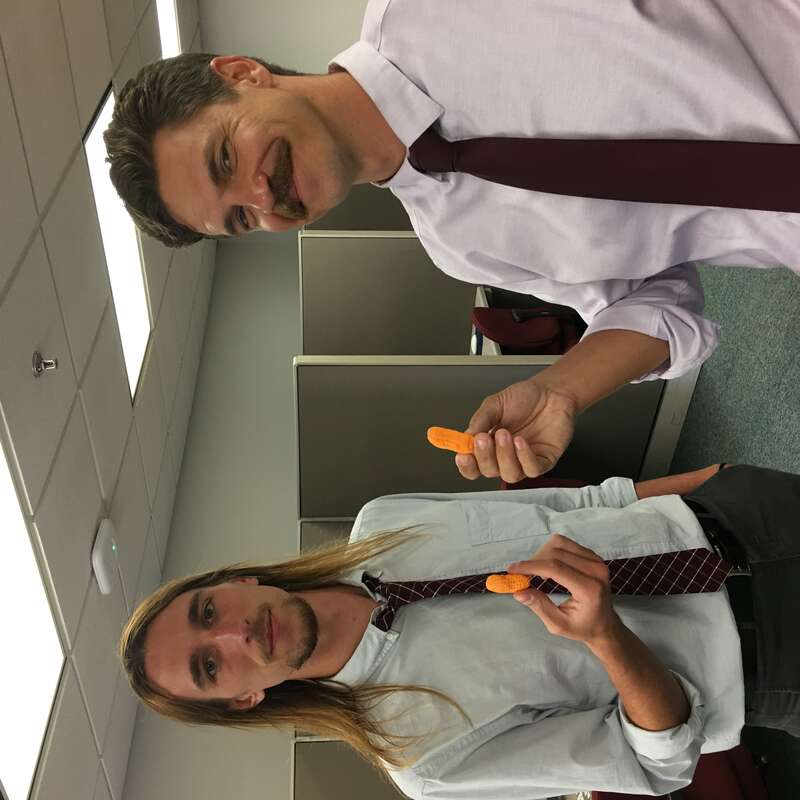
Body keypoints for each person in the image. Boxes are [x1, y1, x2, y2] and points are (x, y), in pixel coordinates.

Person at [103, 1, 800, 483]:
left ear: (240, 74)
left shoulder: (428, 13)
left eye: (225, 158)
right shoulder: (460, 246)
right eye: (239, 220)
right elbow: (662, 306)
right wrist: (561, 391)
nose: (262, 198)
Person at [120, 463, 799, 798]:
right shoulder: (421, 757)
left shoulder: (381, 522)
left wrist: (719, 479)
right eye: (210, 667)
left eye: (207, 611)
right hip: (772, 662)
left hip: (737, 514)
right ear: (243, 700)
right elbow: (660, 764)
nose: (234, 636)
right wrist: (605, 638)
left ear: (235, 582)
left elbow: (582, 505)